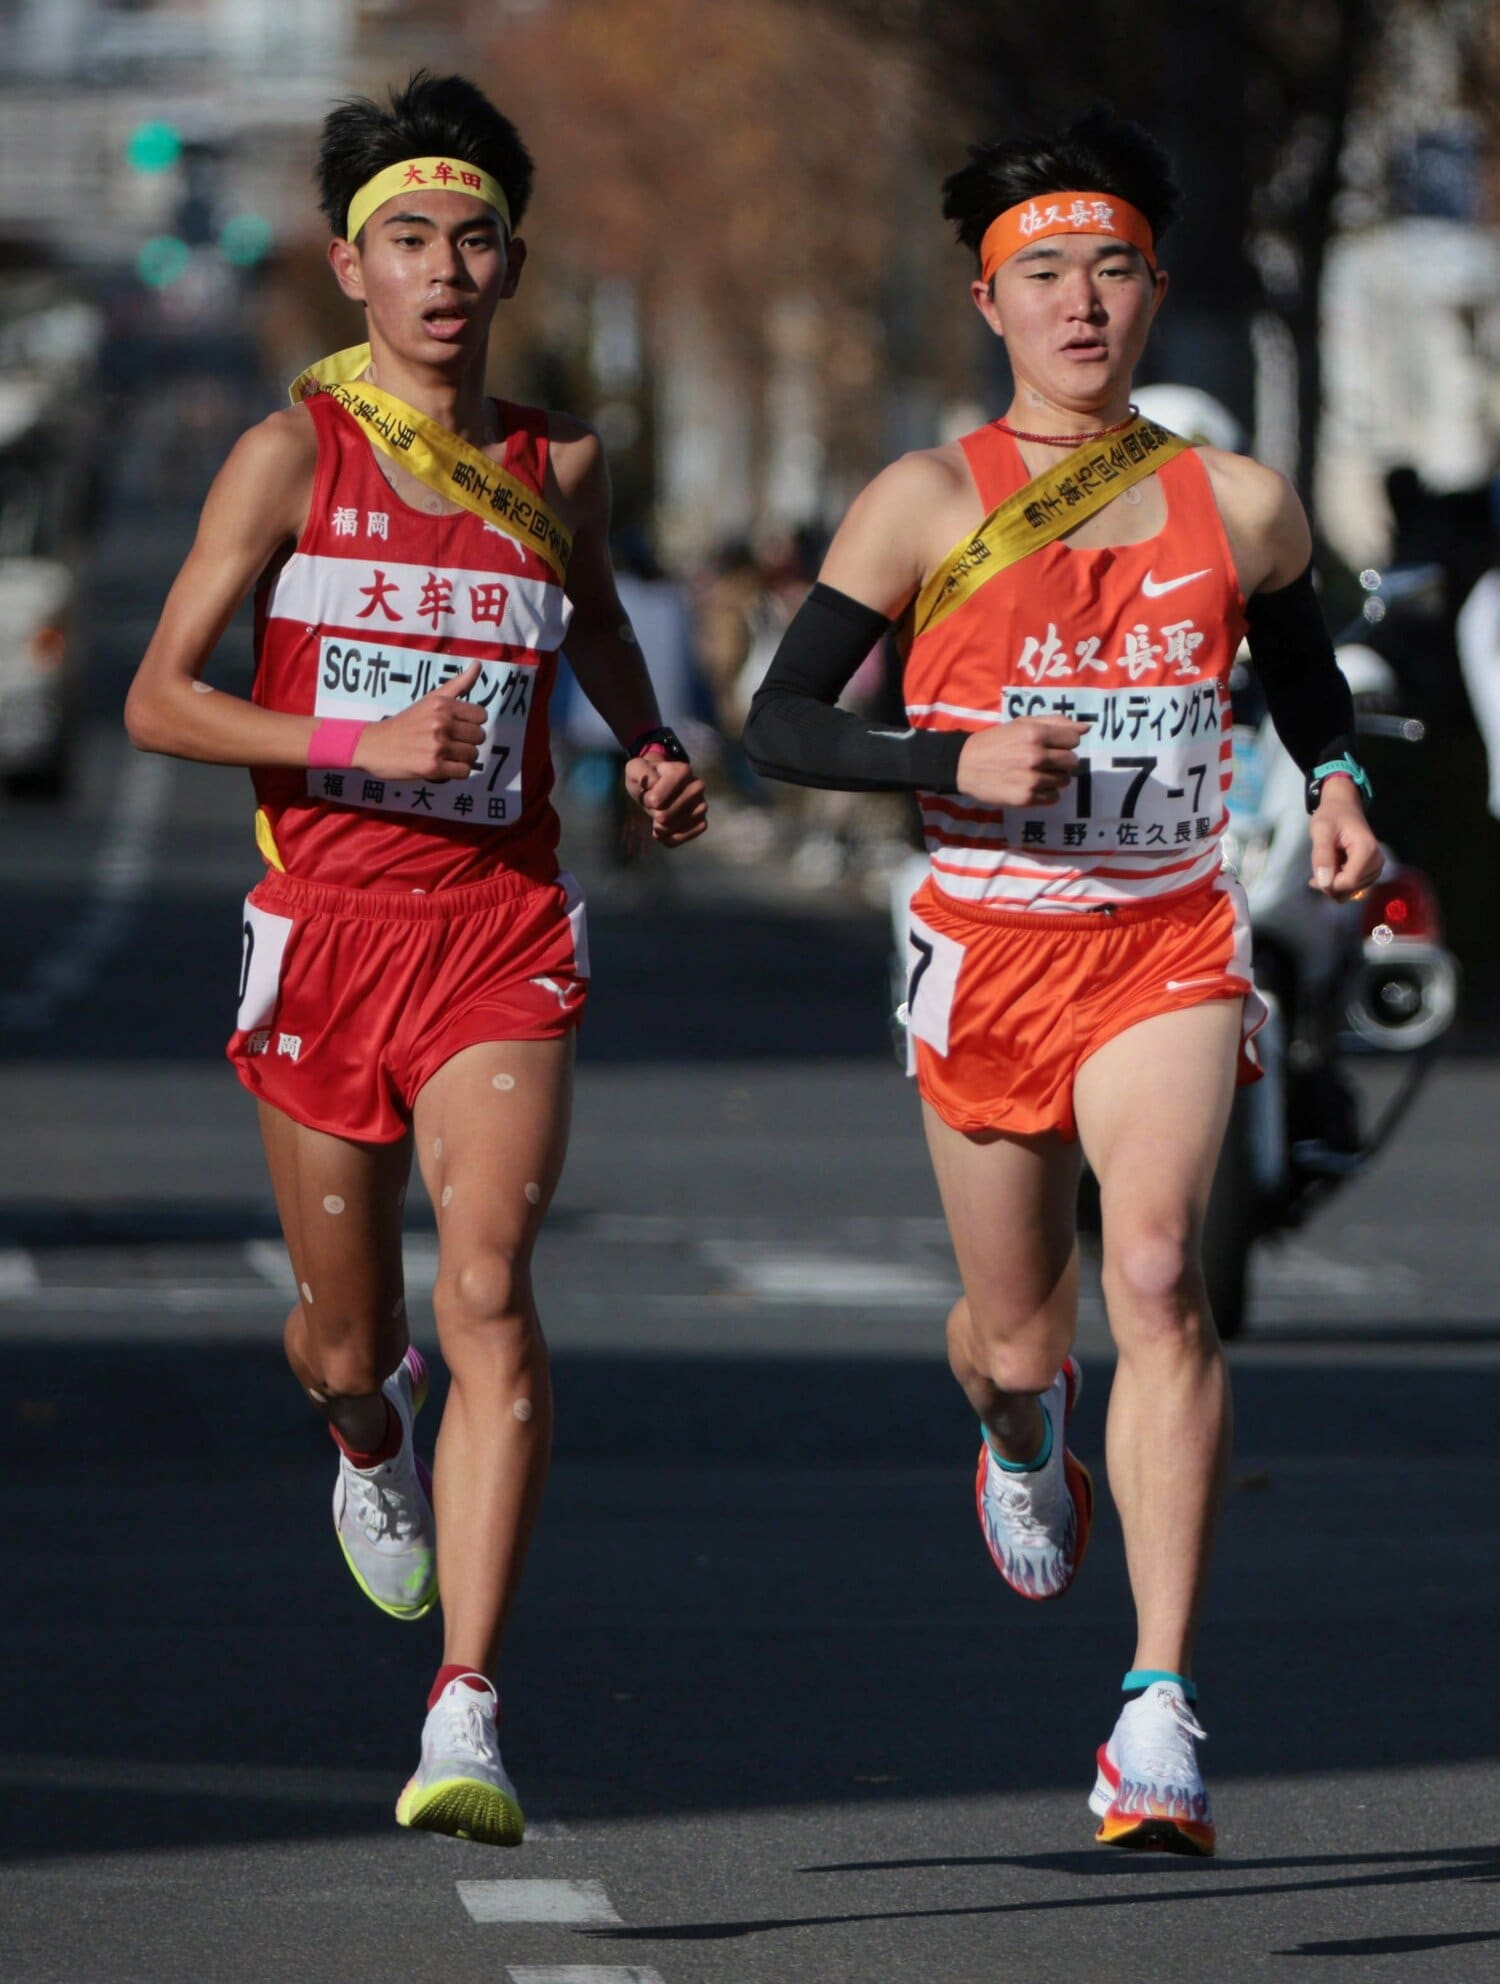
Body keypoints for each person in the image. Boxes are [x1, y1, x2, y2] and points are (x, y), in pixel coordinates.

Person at [743, 105, 1380, 1856]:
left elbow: (1307, 683)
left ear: (1154, 288)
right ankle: (1022, 1433)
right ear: (991, 301)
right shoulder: (925, 498)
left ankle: (1157, 1710)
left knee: (1161, 1276)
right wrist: (942, 753)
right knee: (1021, 1336)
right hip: (992, 946)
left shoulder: (1237, 501)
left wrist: (1335, 792)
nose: (1081, 305)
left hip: (1167, 932)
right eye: (1046, 276)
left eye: (1110, 270)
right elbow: (781, 723)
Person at [125, 70, 707, 1846]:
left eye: (470, 240)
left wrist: (650, 743)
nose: (442, 270)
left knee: (492, 1290)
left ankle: (469, 1710)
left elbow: (594, 613)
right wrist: (352, 752)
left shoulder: (563, 464)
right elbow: (159, 700)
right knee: (350, 1338)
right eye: (406, 241)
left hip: (497, 932)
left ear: (509, 263)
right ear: (348, 268)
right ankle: (367, 1447)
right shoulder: (289, 455)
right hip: (325, 928)